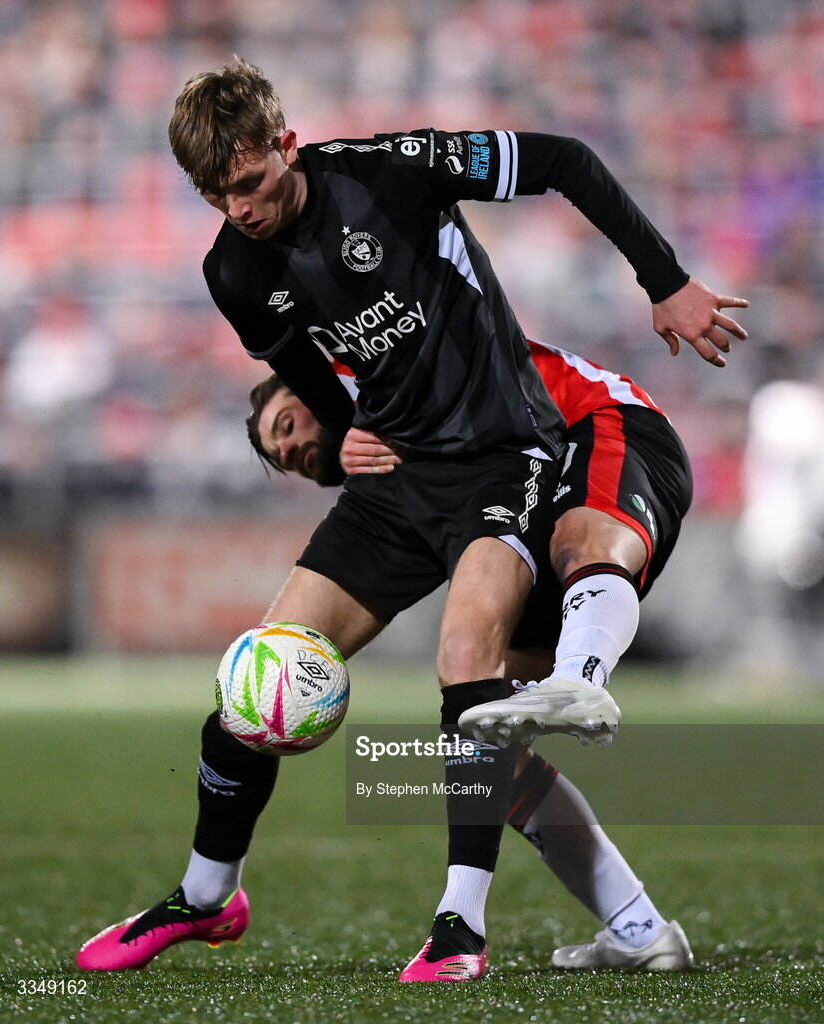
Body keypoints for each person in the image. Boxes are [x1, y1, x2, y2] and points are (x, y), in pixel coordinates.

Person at [78, 58, 745, 980]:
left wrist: (662, 279)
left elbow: (561, 157)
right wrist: (345, 433)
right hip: (397, 476)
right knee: (257, 677)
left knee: (465, 665)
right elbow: (300, 366)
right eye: (213, 194)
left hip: (501, 452)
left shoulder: (389, 172)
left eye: (248, 182)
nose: (238, 208)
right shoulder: (232, 268)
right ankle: (205, 897)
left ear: (286, 144)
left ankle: (459, 924)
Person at [245, 338, 696, 969]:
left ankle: (580, 678)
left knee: (581, 539)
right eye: (283, 459)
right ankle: (639, 929)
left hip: (592, 421)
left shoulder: (367, 357)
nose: (291, 451)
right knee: (491, 743)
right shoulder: (395, 464)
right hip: (529, 481)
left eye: (286, 426)